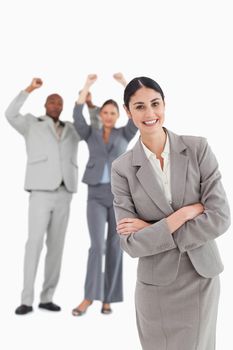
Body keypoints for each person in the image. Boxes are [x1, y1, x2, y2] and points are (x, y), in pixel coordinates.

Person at [111, 76, 231, 349]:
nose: (150, 113)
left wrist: (152, 228)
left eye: (155, 103)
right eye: (139, 107)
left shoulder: (198, 149)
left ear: (165, 104)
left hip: (199, 276)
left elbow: (220, 218)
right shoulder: (122, 168)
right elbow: (130, 243)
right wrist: (182, 215)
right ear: (128, 112)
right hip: (155, 287)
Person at [5, 78, 98, 315]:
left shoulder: (72, 128)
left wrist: (89, 104)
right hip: (40, 191)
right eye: (51, 101)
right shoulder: (31, 124)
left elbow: (95, 128)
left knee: (57, 246)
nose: (55, 105)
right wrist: (29, 89)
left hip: (65, 192)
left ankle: (47, 297)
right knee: (34, 243)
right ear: (46, 105)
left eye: (59, 102)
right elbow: (10, 113)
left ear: (63, 106)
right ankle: (26, 299)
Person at [72, 73, 138, 316]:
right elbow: (77, 115)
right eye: (105, 112)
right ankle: (89, 296)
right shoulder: (90, 133)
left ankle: (108, 298)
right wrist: (87, 85)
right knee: (96, 245)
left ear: (118, 115)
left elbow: (136, 112)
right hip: (95, 195)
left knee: (114, 246)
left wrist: (124, 83)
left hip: (119, 197)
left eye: (113, 113)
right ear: (100, 114)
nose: (109, 116)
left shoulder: (126, 134)